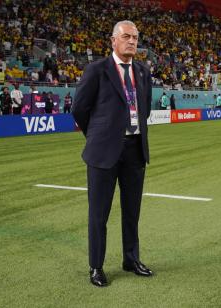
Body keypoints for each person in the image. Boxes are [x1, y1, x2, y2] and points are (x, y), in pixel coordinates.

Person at [72, 20, 153, 288]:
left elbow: (145, 109)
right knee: (99, 214)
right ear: (113, 40)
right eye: (126, 36)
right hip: (103, 152)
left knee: (132, 211)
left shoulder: (142, 72)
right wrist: (98, 136)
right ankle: (96, 266)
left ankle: (131, 259)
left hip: (134, 149)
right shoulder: (97, 70)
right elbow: (79, 109)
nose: (132, 41)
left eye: (135, 37)